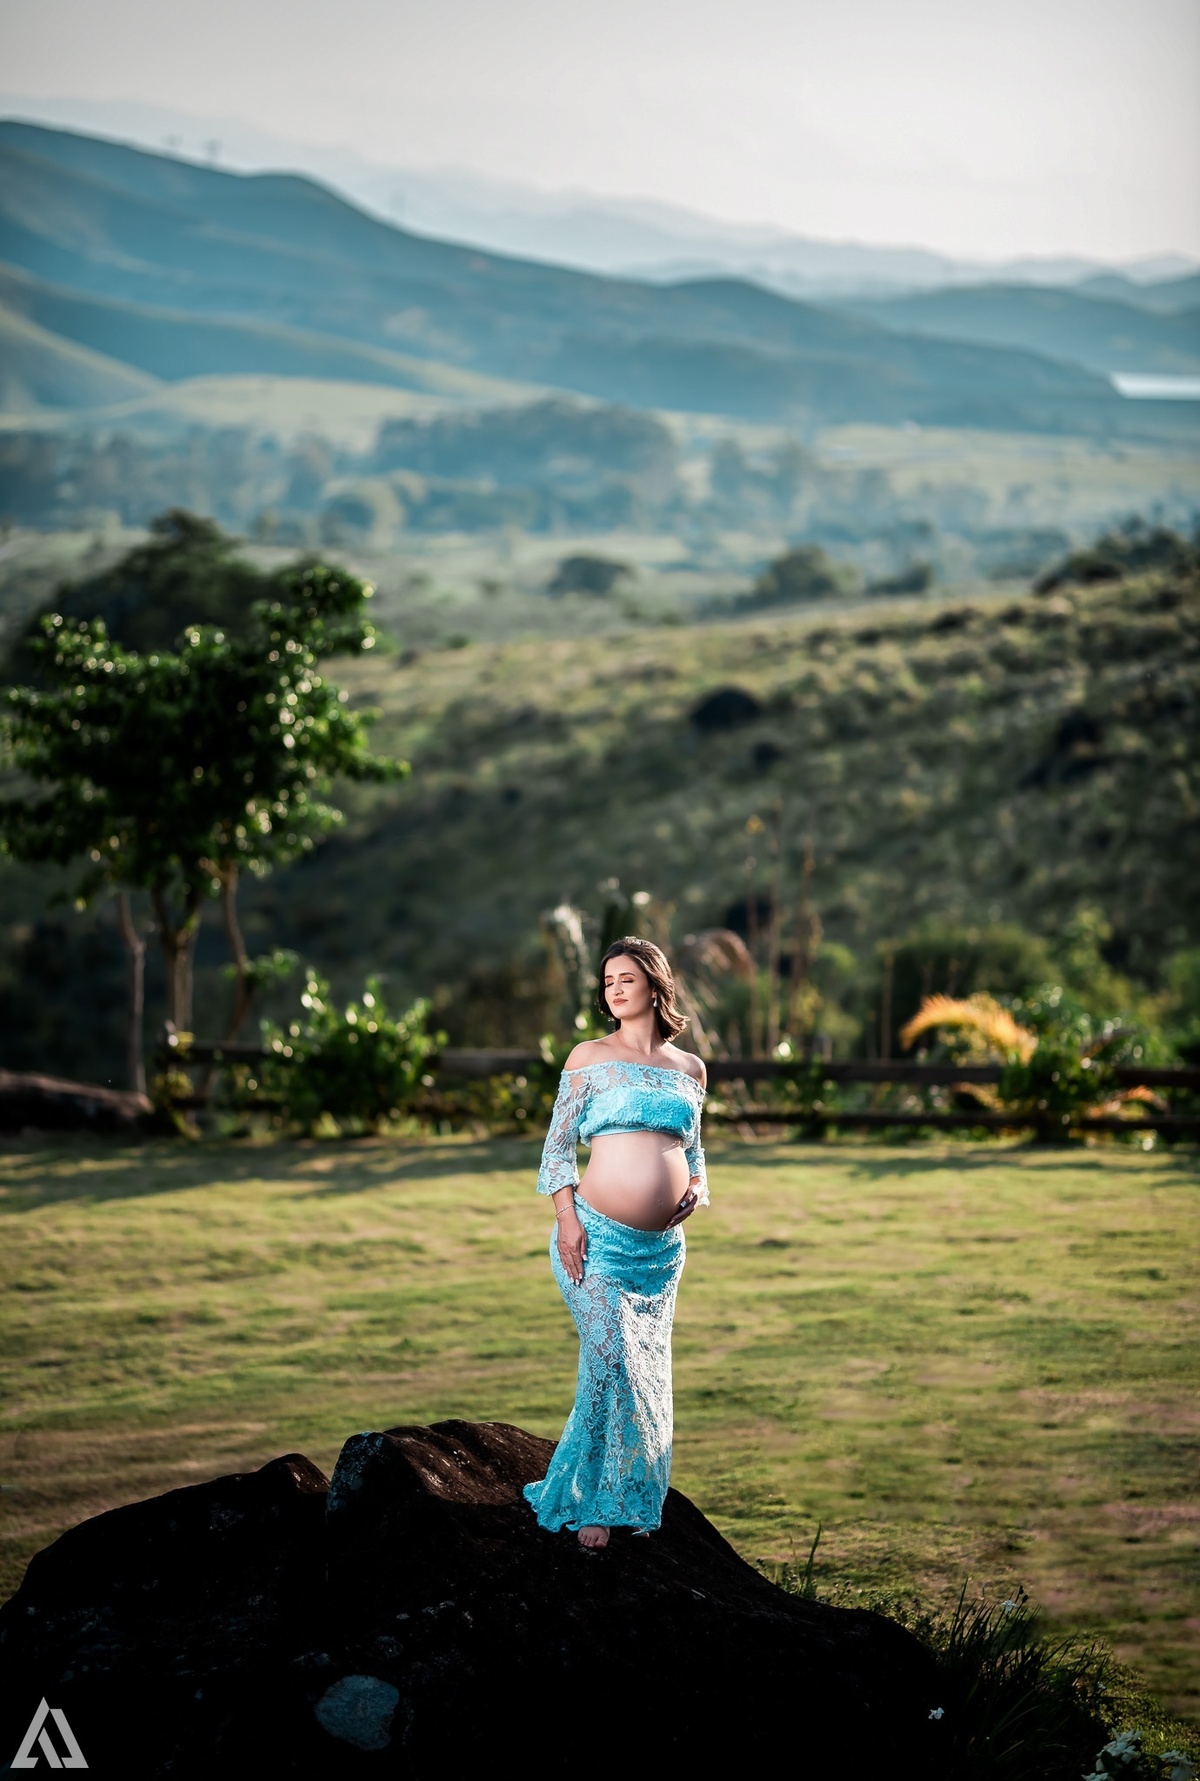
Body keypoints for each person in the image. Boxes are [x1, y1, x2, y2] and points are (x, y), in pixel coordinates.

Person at [523, 936, 707, 1550]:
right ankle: (591, 1505)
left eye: (626, 978)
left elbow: (695, 1151)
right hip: (594, 1238)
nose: (615, 989)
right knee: (611, 1362)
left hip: (659, 1257)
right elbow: (556, 1148)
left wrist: (698, 1186)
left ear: (655, 985)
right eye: (607, 981)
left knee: (647, 1372)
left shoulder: (690, 1069)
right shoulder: (587, 1057)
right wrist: (567, 1219)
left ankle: (628, 1495)